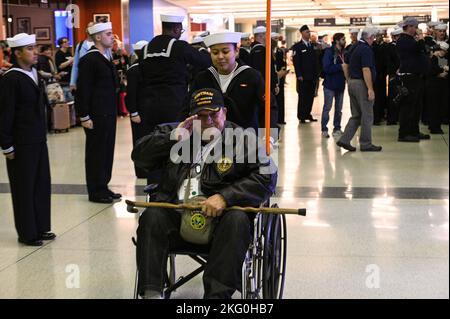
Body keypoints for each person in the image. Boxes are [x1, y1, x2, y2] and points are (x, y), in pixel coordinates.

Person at [131, 87, 277, 299]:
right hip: (178, 214)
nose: (207, 120)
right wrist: (173, 138)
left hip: (221, 222)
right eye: (200, 115)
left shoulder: (243, 141)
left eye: (213, 113)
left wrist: (225, 197)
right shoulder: (176, 133)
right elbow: (140, 157)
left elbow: (267, 176)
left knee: (237, 219)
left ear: (224, 112)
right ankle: (152, 293)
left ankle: (216, 298)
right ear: (191, 117)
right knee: (152, 216)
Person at [0, 33, 55, 246]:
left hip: (38, 139)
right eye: (30, 49)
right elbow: (5, 114)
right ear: (17, 53)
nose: (35, 53)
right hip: (21, 142)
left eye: (34, 48)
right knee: (24, 187)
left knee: (41, 184)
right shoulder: (11, 78)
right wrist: (6, 145)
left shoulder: (34, 73)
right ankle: (27, 232)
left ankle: (41, 227)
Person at [186, 31, 277, 135]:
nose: (220, 57)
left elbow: (269, 107)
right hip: (210, 138)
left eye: (225, 52)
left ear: (236, 51)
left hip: (246, 138)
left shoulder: (252, 76)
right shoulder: (202, 78)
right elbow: (188, 107)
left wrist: (269, 136)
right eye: (215, 52)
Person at [139, 13, 212, 131]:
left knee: (154, 139)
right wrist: (203, 48)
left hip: (149, 104)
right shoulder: (179, 46)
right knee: (175, 139)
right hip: (174, 102)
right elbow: (205, 61)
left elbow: (140, 74)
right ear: (176, 29)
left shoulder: (145, 49)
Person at [76, 22, 122, 203]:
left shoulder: (106, 56)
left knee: (106, 151)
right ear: (97, 37)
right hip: (95, 115)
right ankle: (95, 191)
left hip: (108, 113)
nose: (112, 36)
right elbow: (83, 89)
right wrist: (84, 115)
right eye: (108, 34)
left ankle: (103, 186)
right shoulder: (90, 59)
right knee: (96, 153)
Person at [338, 27, 382, 152]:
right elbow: (366, 69)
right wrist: (370, 88)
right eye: (373, 37)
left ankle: (344, 139)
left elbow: (345, 65)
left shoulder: (354, 47)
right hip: (362, 84)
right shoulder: (366, 49)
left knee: (356, 115)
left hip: (352, 82)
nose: (374, 40)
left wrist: (348, 80)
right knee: (367, 115)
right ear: (370, 37)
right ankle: (366, 143)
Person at [396, 17, 430, 143]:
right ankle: (404, 133)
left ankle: (414, 130)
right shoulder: (404, 40)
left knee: (416, 106)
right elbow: (420, 48)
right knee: (408, 105)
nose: (416, 30)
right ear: (409, 27)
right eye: (415, 27)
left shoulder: (410, 40)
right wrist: (421, 37)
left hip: (416, 76)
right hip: (409, 77)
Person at [126, 40, 149, 178]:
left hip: (147, 110)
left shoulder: (147, 67)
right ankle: (140, 171)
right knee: (139, 141)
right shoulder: (134, 69)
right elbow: (131, 93)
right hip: (138, 111)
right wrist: (133, 112)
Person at [292, 25, 319, 123]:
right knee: (303, 97)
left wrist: (317, 75)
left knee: (310, 96)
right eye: (307, 32)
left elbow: (315, 61)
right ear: (302, 33)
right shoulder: (297, 46)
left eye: (309, 32)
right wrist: (299, 75)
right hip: (303, 77)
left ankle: (308, 114)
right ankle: (301, 116)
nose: (309, 34)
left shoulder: (312, 45)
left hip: (312, 76)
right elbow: (296, 62)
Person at [321, 33, 346, 138]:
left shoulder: (344, 52)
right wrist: (340, 66)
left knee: (339, 109)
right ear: (337, 41)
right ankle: (324, 129)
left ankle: (337, 128)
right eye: (343, 39)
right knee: (327, 107)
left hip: (340, 85)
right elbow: (326, 68)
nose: (345, 41)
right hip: (330, 85)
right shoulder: (328, 52)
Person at [427, 42, 448, 134]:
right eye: (441, 50)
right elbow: (431, 70)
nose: (443, 52)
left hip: (440, 85)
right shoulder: (433, 58)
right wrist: (442, 70)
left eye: (444, 51)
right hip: (433, 85)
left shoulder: (443, 58)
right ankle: (434, 127)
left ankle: (435, 125)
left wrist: (444, 72)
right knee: (434, 106)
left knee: (438, 106)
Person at [70, 22, 96, 93]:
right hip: (83, 80)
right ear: (86, 30)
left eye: (93, 27)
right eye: (89, 27)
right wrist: (72, 82)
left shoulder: (101, 44)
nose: (91, 29)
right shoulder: (80, 45)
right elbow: (75, 65)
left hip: (98, 80)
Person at [385, 26, 402, 125]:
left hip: (402, 74)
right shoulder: (390, 47)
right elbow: (388, 61)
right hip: (394, 75)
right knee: (393, 96)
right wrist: (395, 70)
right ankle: (392, 118)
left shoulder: (401, 47)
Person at [372, 29, 389, 125]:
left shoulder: (385, 46)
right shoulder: (372, 46)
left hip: (382, 75)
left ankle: (381, 114)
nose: (378, 37)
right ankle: (376, 117)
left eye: (380, 35)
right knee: (375, 96)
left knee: (381, 95)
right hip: (374, 75)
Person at [274, 34, 288, 125]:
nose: (275, 40)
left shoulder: (279, 50)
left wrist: (283, 70)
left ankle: (280, 118)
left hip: (280, 77)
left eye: (276, 39)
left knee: (280, 98)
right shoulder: (266, 51)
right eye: (274, 38)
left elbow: (283, 62)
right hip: (273, 77)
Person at [55, 37, 74, 102]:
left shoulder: (68, 52)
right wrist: (70, 61)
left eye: (68, 41)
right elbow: (60, 66)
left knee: (72, 100)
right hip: (64, 80)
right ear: (61, 44)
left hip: (70, 79)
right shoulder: (59, 53)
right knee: (67, 100)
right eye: (65, 42)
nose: (67, 43)